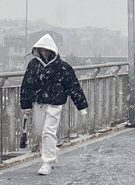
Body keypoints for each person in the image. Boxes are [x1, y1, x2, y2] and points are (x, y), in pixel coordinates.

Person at [20, 33, 88, 176]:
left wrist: (81, 106)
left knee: (47, 131)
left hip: (55, 104)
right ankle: (52, 151)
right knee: (40, 131)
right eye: (41, 49)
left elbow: (73, 86)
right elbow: (26, 84)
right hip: (38, 103)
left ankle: (48, 161)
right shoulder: (33, 65)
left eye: (46, 50)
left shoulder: (62, 67)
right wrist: (25, 105)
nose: (44, 52)